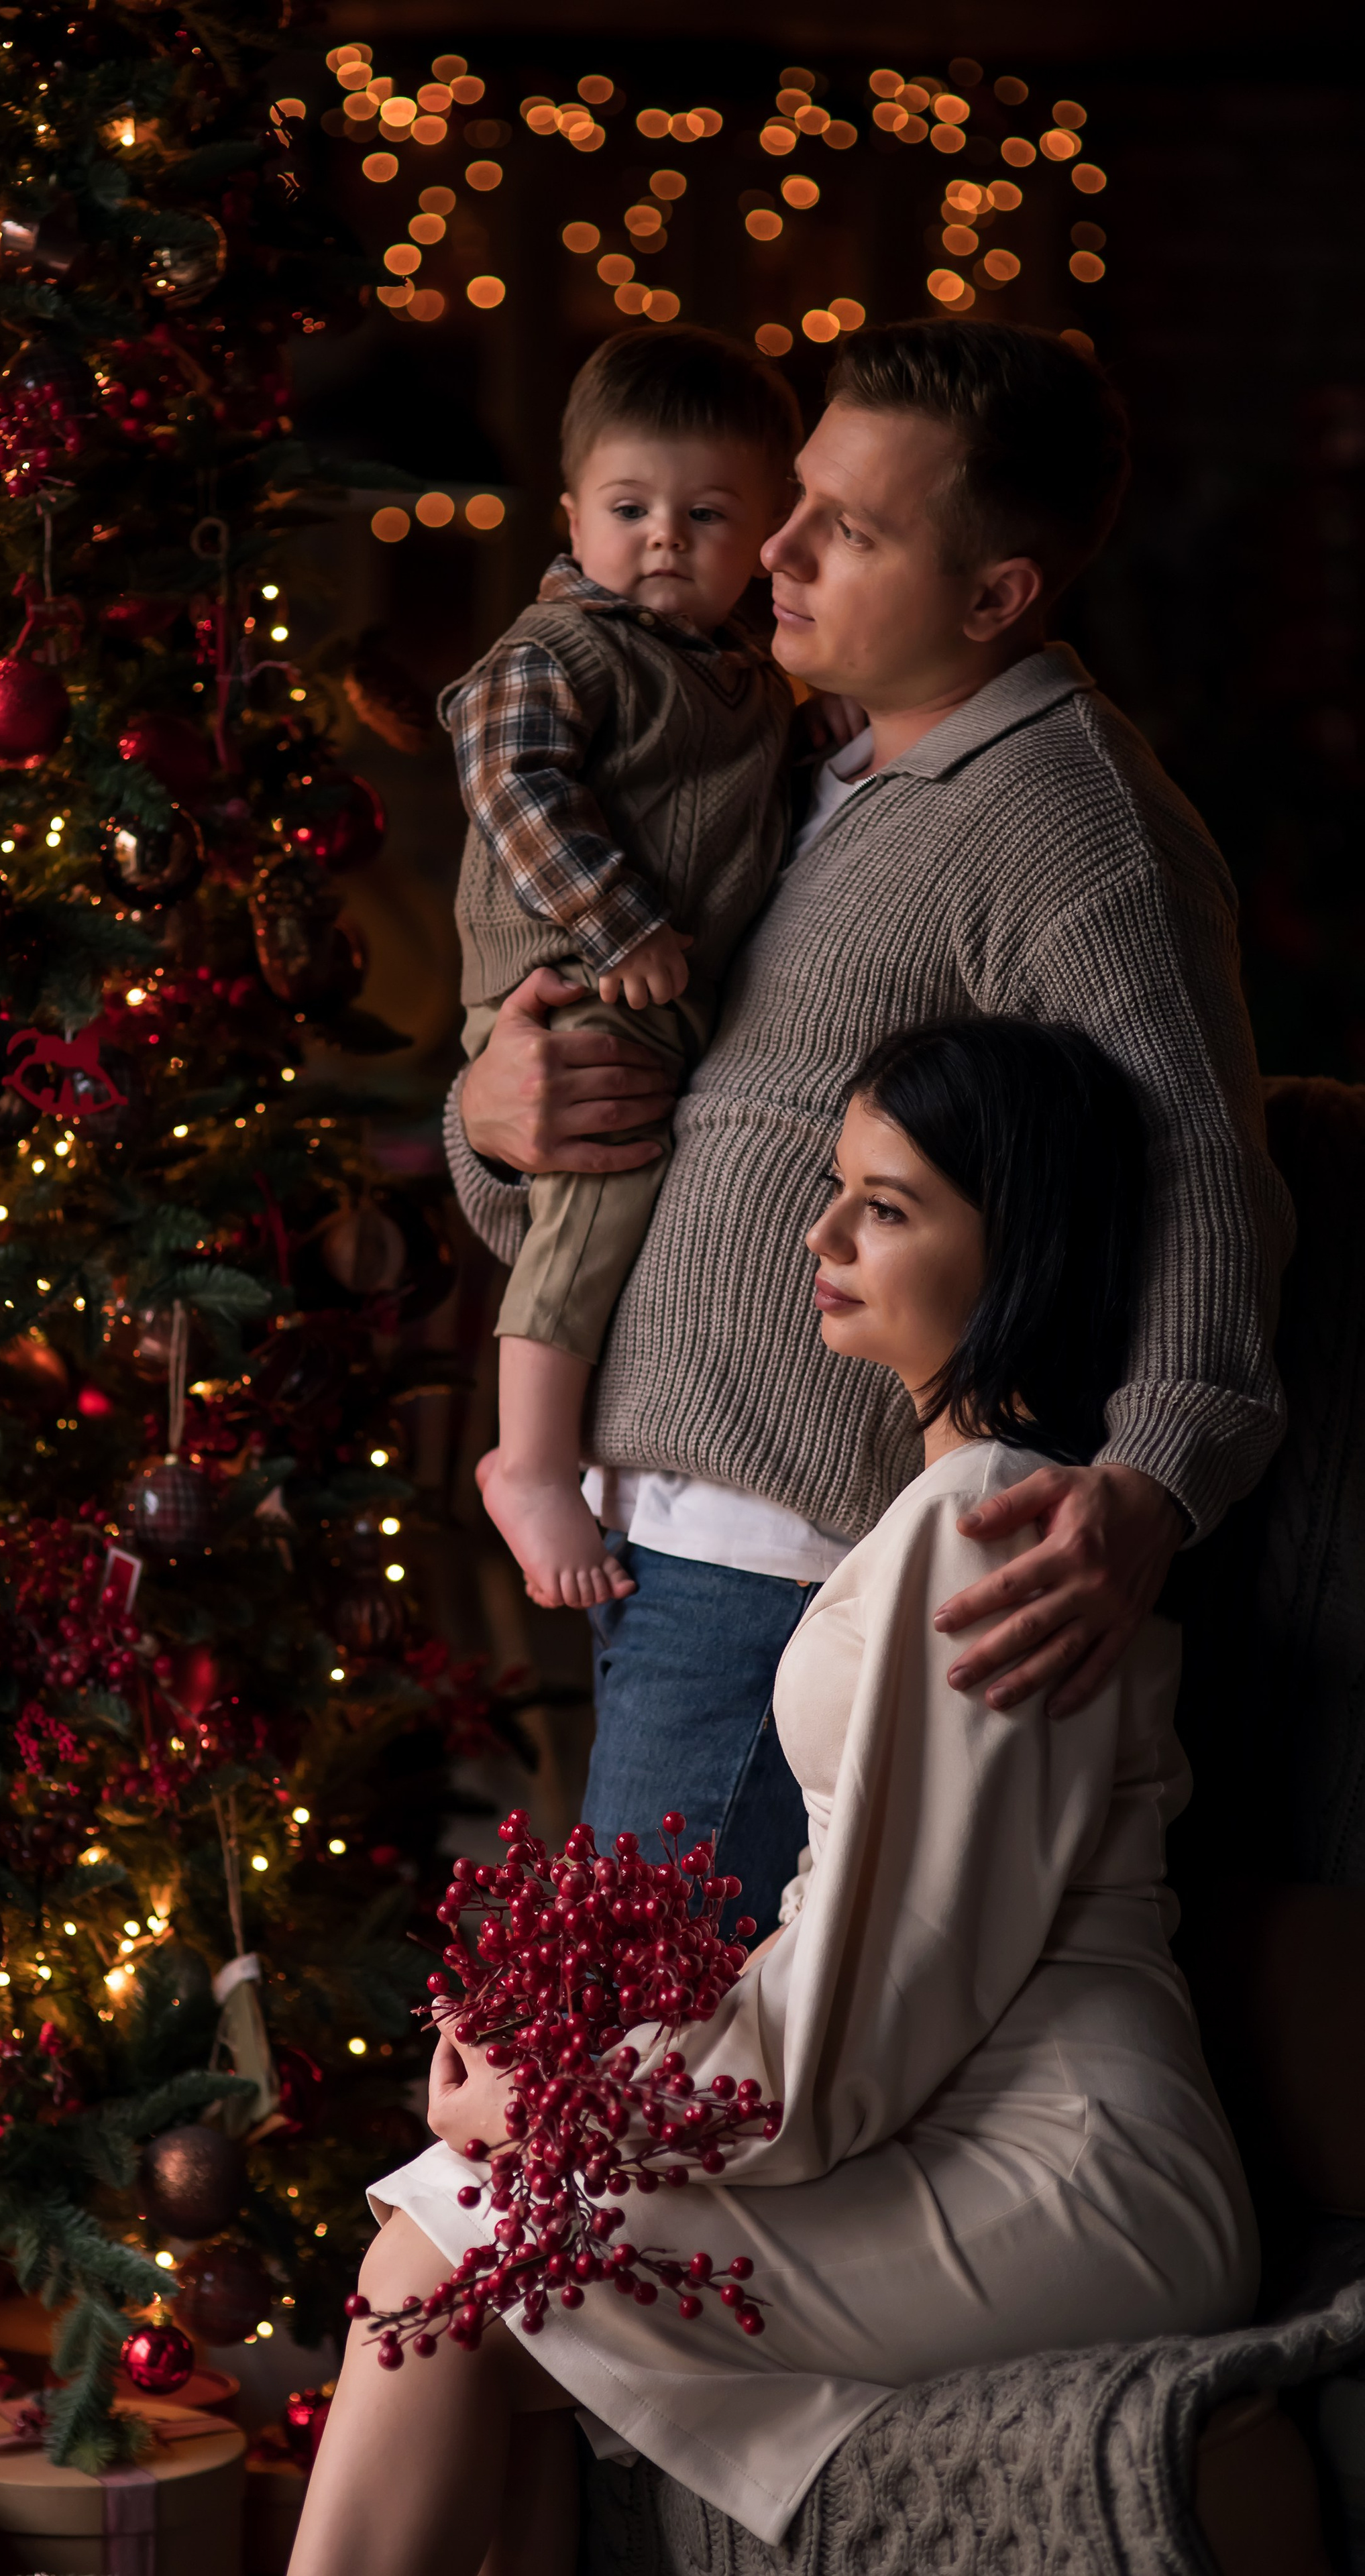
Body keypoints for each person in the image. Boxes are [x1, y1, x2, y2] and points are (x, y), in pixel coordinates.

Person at [289, 1017, 1259, 2576]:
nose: (818, 1234)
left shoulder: (984, 1528)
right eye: (832, 1187)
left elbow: (851, 2036)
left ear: (1013, 1245)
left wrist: (550, 2109)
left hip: (1072, 2175)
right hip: (979, 2131)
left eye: (884, 1203)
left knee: (438, 2253)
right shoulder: (952, 1509)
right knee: (492, 2283)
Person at [449, 319, 1293, 1939]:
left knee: (631, 2077)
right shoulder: (789, 762)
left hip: (795, 1569)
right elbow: (655, 1110)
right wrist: (491, 1119)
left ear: (995, 597)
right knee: (649, 2085)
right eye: (797, 502)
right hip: (664, 1531)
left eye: (849, 526)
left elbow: (1201, 1172)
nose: (772, 547)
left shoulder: (1068, 828)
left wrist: (1151, 1477)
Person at [445, 327, 808, 1612]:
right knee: (599, 1189)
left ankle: (549, 1449)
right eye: (630, 507)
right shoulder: (563, 650)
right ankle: (529, 1462)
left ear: (769, 529)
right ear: (570, 515)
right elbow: (508, 773)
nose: (665, 537)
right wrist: (621, 924)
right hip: (575, 975)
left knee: (608, 1191)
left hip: (650, 989)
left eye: (707, 513)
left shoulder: (745, 680)